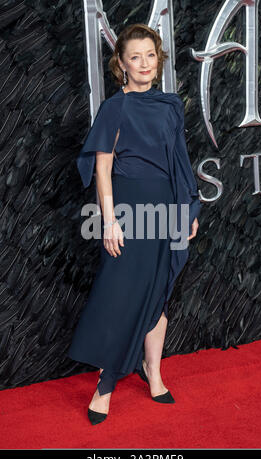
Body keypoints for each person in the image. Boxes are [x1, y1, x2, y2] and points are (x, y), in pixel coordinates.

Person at [67, 23, 201, 425]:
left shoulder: (171, 104)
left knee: (158, 295)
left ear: (157, 58)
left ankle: (154, 373)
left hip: (167, 206)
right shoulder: (116, 108)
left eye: (149, 55)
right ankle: (106, 384)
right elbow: (102, 169)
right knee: (123, 297)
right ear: (121, 64)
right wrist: (109, 222)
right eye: (134, 57)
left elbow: (179, 161)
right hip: (129, 211)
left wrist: (187, 211)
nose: (144, 64)